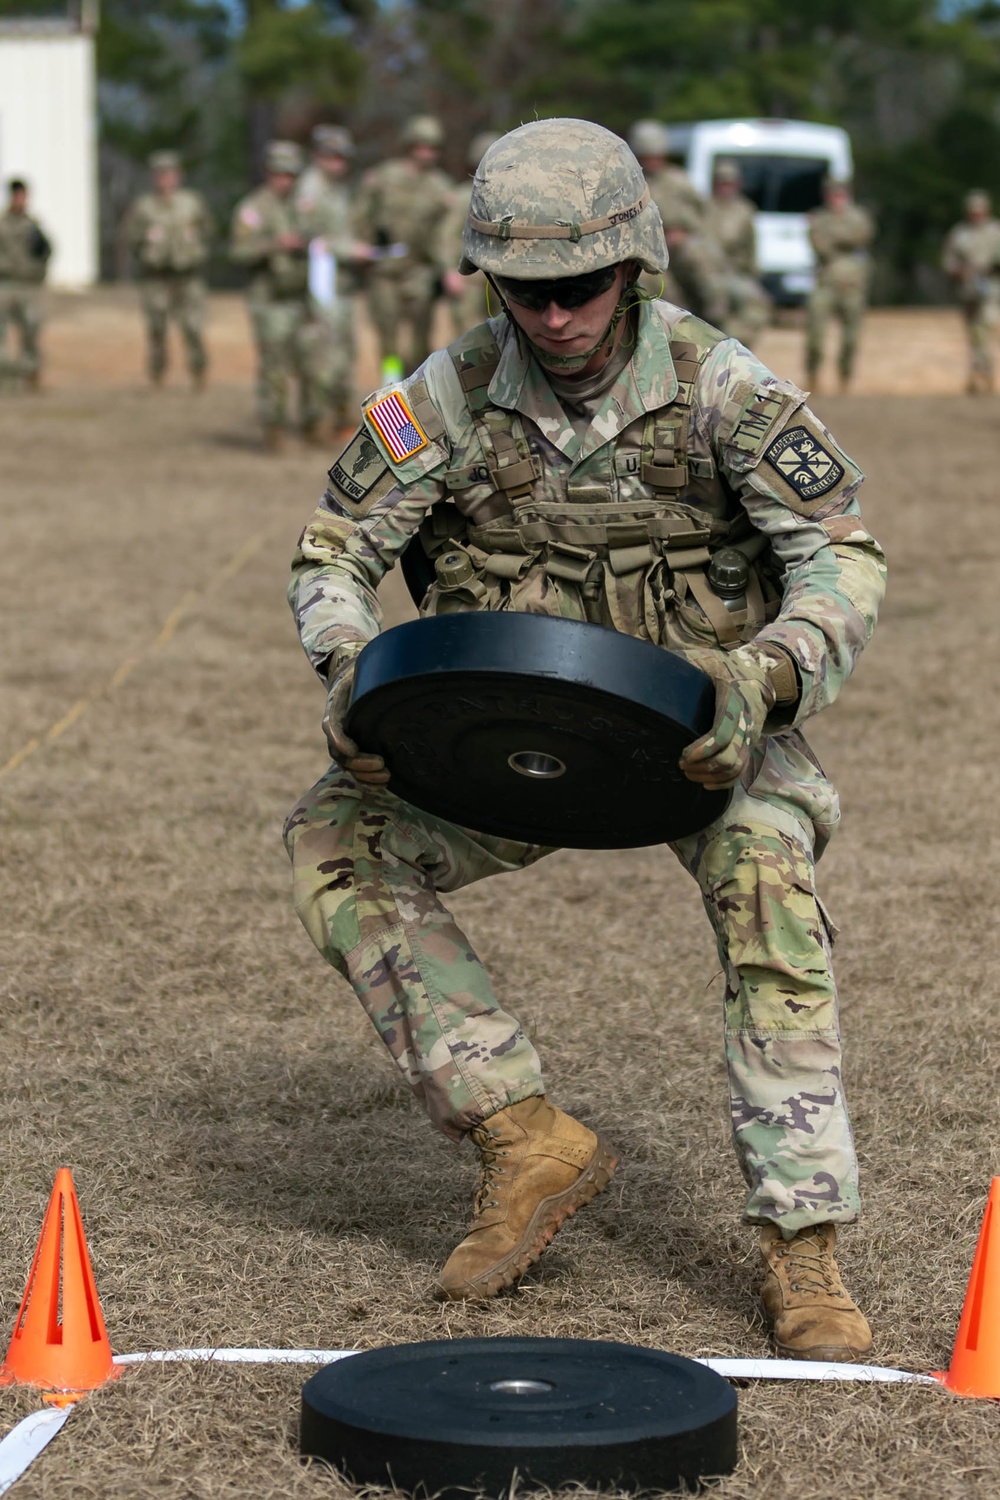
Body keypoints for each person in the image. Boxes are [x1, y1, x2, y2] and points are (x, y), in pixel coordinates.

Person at [284, 119, 886, 1360]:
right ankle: (523, 1137)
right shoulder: (443, 395)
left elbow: (841, 556)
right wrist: (348, 672)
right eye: (524, 291)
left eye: (579, 288)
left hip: (700, 734)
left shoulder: (723, 386)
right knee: (336, 840)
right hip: (500, 731)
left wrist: (766, 675)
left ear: (637, 264)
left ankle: (801, 1241)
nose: (554, 317)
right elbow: (335, 548)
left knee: (768, 888)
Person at [230, 139, 326, 452]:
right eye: (278, 172)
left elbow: (323, 237)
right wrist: (274, 245)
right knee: (275, 368)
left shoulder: (305, 206)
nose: (284, 179)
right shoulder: (252, 209)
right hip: (269, 300)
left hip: (302, 298)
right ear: (267, 172)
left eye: (290, 173)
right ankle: (274, 430)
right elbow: (238, 252)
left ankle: (313, 424)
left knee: (312, 363)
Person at [353, 114, 454, 381]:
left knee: (421, 338)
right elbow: (362, 215)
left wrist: (445, 267)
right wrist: (363, 245)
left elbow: (447, 232)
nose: (427, 153)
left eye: (432, 148)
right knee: (388, 338)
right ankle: (391, 383)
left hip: (419, 270)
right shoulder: (385, 177)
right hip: (384, 271)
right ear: (410, 146)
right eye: (421, 146)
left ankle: (416, 386)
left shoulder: (440, 186)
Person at [294, 125, 374, 433]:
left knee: (343, 352)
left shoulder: (338, 190)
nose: (339, 163)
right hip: (322, 285)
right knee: (322, 354)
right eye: (333, 156)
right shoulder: (311, 189)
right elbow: (310, 237)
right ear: (319, 156)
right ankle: (315, 421)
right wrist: (352, 249)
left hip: (341, 284)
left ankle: (337, 417)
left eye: (343, 157)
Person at [120, 151, 214, 389]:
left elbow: (208, 230)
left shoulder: (192, 203)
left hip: (188, 275)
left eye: (170, 173)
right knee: (157, 328)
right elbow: (130, 237)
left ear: (178, 175)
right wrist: (146, 251)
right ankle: (157, 374)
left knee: (193, 327)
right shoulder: (144, 207)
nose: (165, 179)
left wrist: (197, 250)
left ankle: (198, 371)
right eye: (160, 174)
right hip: (156, 277)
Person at [627, 120, 725, 325]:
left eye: (657, 156)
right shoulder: (630, 183)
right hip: (645, 249)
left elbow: (704, 216)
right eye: (647, 156)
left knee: (702, 266)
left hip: (680, 245)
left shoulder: (679, 181)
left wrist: (686, 234)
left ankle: (715, 319)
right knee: (653, 286)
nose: (653, 161)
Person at [805, 178, 874, 393]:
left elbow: (863, 236)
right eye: (832, 194)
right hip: (825, 283)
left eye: (840, 194)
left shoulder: (858, 217)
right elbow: (820, 245)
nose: (836, 199)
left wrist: (836, 238)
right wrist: (844, 239)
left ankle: (845, 377)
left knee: (851, 338)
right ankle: (813, 375)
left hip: (853, 285)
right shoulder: (819, 218)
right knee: (816, 335)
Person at [703, 159, 770, 349]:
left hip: (736, 273)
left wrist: (753, 275)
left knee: (755, 307)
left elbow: (751, 247)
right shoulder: (704, 208)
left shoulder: (744, 211)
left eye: (730, 182)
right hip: (708, 273)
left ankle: (737, 347)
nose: (726, 187)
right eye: (722, 182)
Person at [441, 132, 501, 338]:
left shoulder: (511, 195)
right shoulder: (462, 196)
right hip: (471, 277)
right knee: (470, 335)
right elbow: (448, 236)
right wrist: (450, 271)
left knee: (509, 333)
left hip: (504, 275)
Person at [941, 189, 1000, 394]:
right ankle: (981, 372)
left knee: (983, 330)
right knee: (974, 334)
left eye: (979, 211)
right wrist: (958, 270)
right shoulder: (959, 233)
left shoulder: (995, 232)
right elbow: (948, 261)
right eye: (973, 212)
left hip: (991, 291)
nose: (976, 215)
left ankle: (981, 374)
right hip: (967, 291)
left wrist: (988, 268)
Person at [0, 178, 52, 391]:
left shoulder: (33, 226)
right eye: (16, 195)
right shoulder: (2, 224)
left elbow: (46, 251)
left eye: (23, 195)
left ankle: (30, 373)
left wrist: (38, 271)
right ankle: (4, 376)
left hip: (29, 285)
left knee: (31, 328)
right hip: (5, 283)